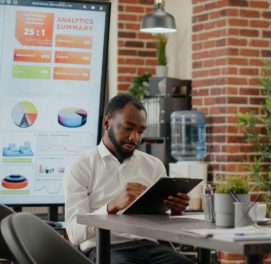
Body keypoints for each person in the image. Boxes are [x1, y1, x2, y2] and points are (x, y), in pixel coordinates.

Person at [64, 94, 193, 264]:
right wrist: (111, 207)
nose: (135, 138)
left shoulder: (154, 165)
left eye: (140, 131)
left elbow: (163, 223)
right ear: (107, 123)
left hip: (150, 248)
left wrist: (175, 211)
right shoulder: (81, 167)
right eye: (128, 128)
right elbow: (74, 234)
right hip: (105, 248)